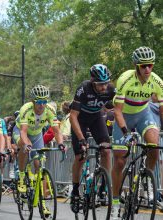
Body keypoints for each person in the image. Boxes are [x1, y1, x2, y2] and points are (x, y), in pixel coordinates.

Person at [111, 46, 163, 219]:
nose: (147, 69)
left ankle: (147, 179)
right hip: (124, 116)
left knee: (154, 146)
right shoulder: (125, 79)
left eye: (150, 65)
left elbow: (161, 110)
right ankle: (116, 200)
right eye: (143, 66)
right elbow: (116, 111)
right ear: (136, 66)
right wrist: (126, 132)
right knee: (119, 161)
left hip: (143, 113)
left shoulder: (157, 81)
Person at [13, 85, 65, 216]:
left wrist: (61, 144)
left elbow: (56, 130)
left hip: (36, 134)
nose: (42, 105)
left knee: (39, 166)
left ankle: (42, 204)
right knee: (24, 147)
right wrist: (26, 144)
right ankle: (21, 176)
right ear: (33, 101)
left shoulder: (50, 110)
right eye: (39, 102)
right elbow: (23, 132)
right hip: (20, 131)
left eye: (44, 101)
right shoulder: (26, 109)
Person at [69, 64, 115, 213]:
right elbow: (73, 117)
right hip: (80, 120)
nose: (103, 87)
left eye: (106, 83)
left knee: (106, 150)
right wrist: (82, 139)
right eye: (100, 84)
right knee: (80, 156)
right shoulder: (84, 89)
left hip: (96, 118)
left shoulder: (110, 89)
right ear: (92, 81)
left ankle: (104, 187)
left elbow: (113, 108)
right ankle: (75, 191)